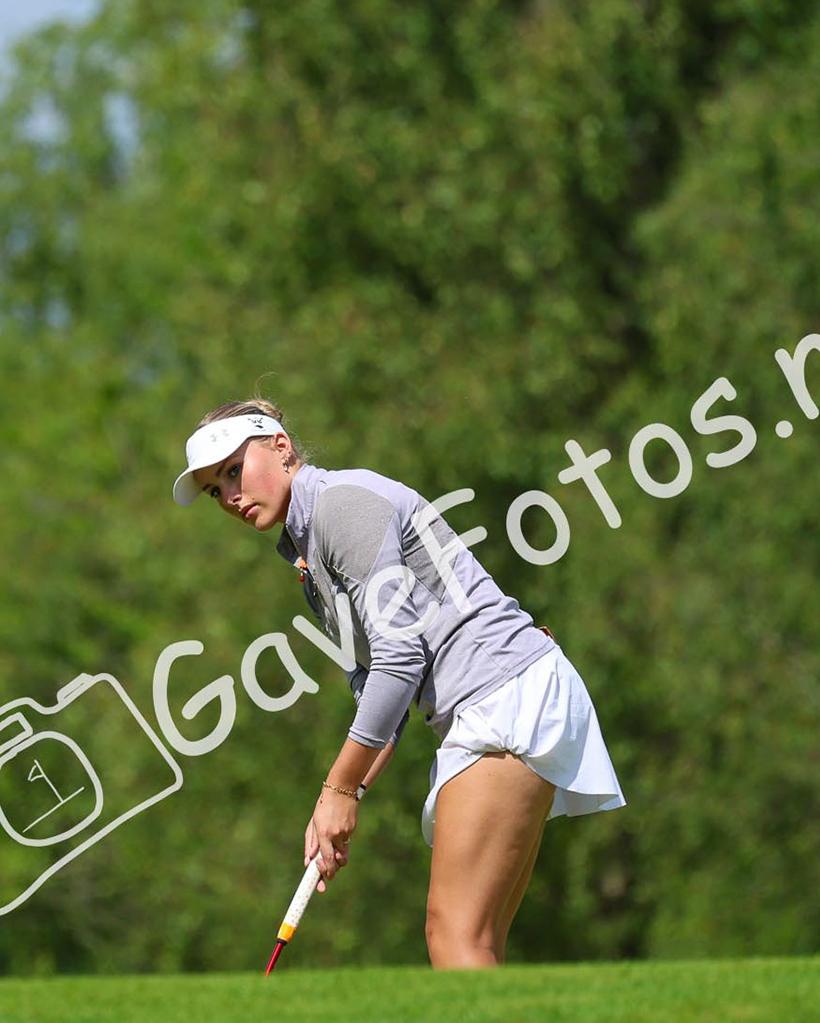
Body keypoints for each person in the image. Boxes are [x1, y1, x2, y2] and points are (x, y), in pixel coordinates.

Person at [171, 398, 625, 968]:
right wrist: (341, 803)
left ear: (281, 447)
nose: (230, 497)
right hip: (507, 695)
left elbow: (400, 660)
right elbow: (382, 700)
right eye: (216, 490)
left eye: (233, 471)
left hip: (503, 694)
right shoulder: (312, 563)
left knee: (453, 935)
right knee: (476, 942)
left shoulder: (341, 507)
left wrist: (336, 790)